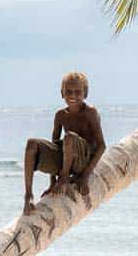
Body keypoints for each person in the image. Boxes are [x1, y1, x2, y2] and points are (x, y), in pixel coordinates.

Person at [22, 71, 105, 215]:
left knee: (69, 137)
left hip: (81, 161)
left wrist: (85, 177)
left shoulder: (90, 112)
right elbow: (54, 145)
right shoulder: (60, 115)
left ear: (85, 93)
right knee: (31, 144)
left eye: (78, 92)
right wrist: (52, 182)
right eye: (68, 92)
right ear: (62, 93)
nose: (73, 95)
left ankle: (65, 178)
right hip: (64, 160)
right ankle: (28, 196)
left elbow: (101, 146)